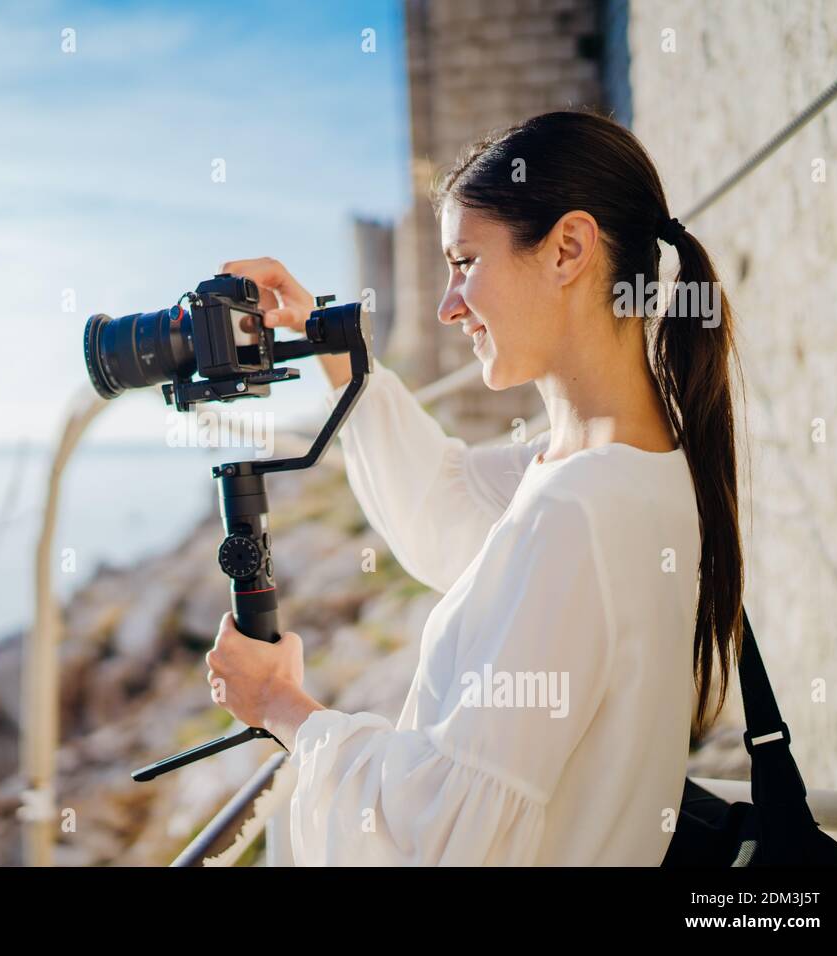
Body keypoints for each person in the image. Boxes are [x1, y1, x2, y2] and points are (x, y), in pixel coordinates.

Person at [203, 110, 745, 865]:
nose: (447, 305)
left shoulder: (578, 509)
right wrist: (320, 333)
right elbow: (446, 503)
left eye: (465, 263)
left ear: (567, 250)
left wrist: (282, 707)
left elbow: (453, 829)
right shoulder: (637, 461)